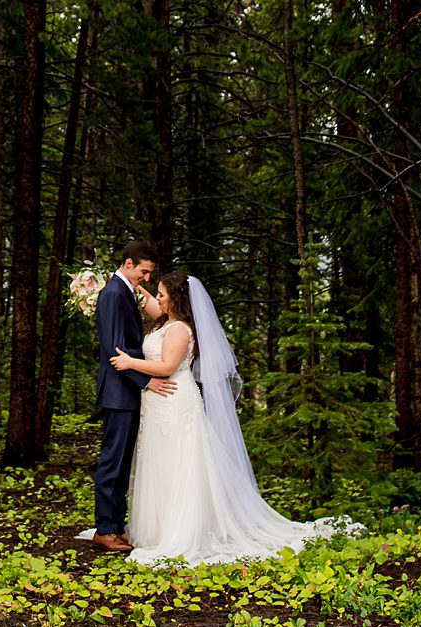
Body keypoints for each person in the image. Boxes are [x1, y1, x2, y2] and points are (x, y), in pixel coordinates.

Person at [105, 269, 343, 566]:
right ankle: (158, 529)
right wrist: (113, 282)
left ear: (176, 300)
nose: (158, 298)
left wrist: (130, 363)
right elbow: (147, 299)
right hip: (159, 404)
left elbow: (167, 367)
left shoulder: (179, 329)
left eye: (163, 294)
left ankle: (179, 531)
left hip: (175, 402)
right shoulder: (169, 321)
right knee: (159, 463)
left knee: (177, 465)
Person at [89, 239, 170, 552]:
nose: (146, 278)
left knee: (122, 463)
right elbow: (114, 349)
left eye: (149, 273)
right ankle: (105, 529)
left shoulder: (125, 291)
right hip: (118, 392)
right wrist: (147, 380)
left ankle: (115, 525)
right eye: (144, 272)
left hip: (127, 392)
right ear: (128, 264)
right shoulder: (112, 294)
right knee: (112, 461)